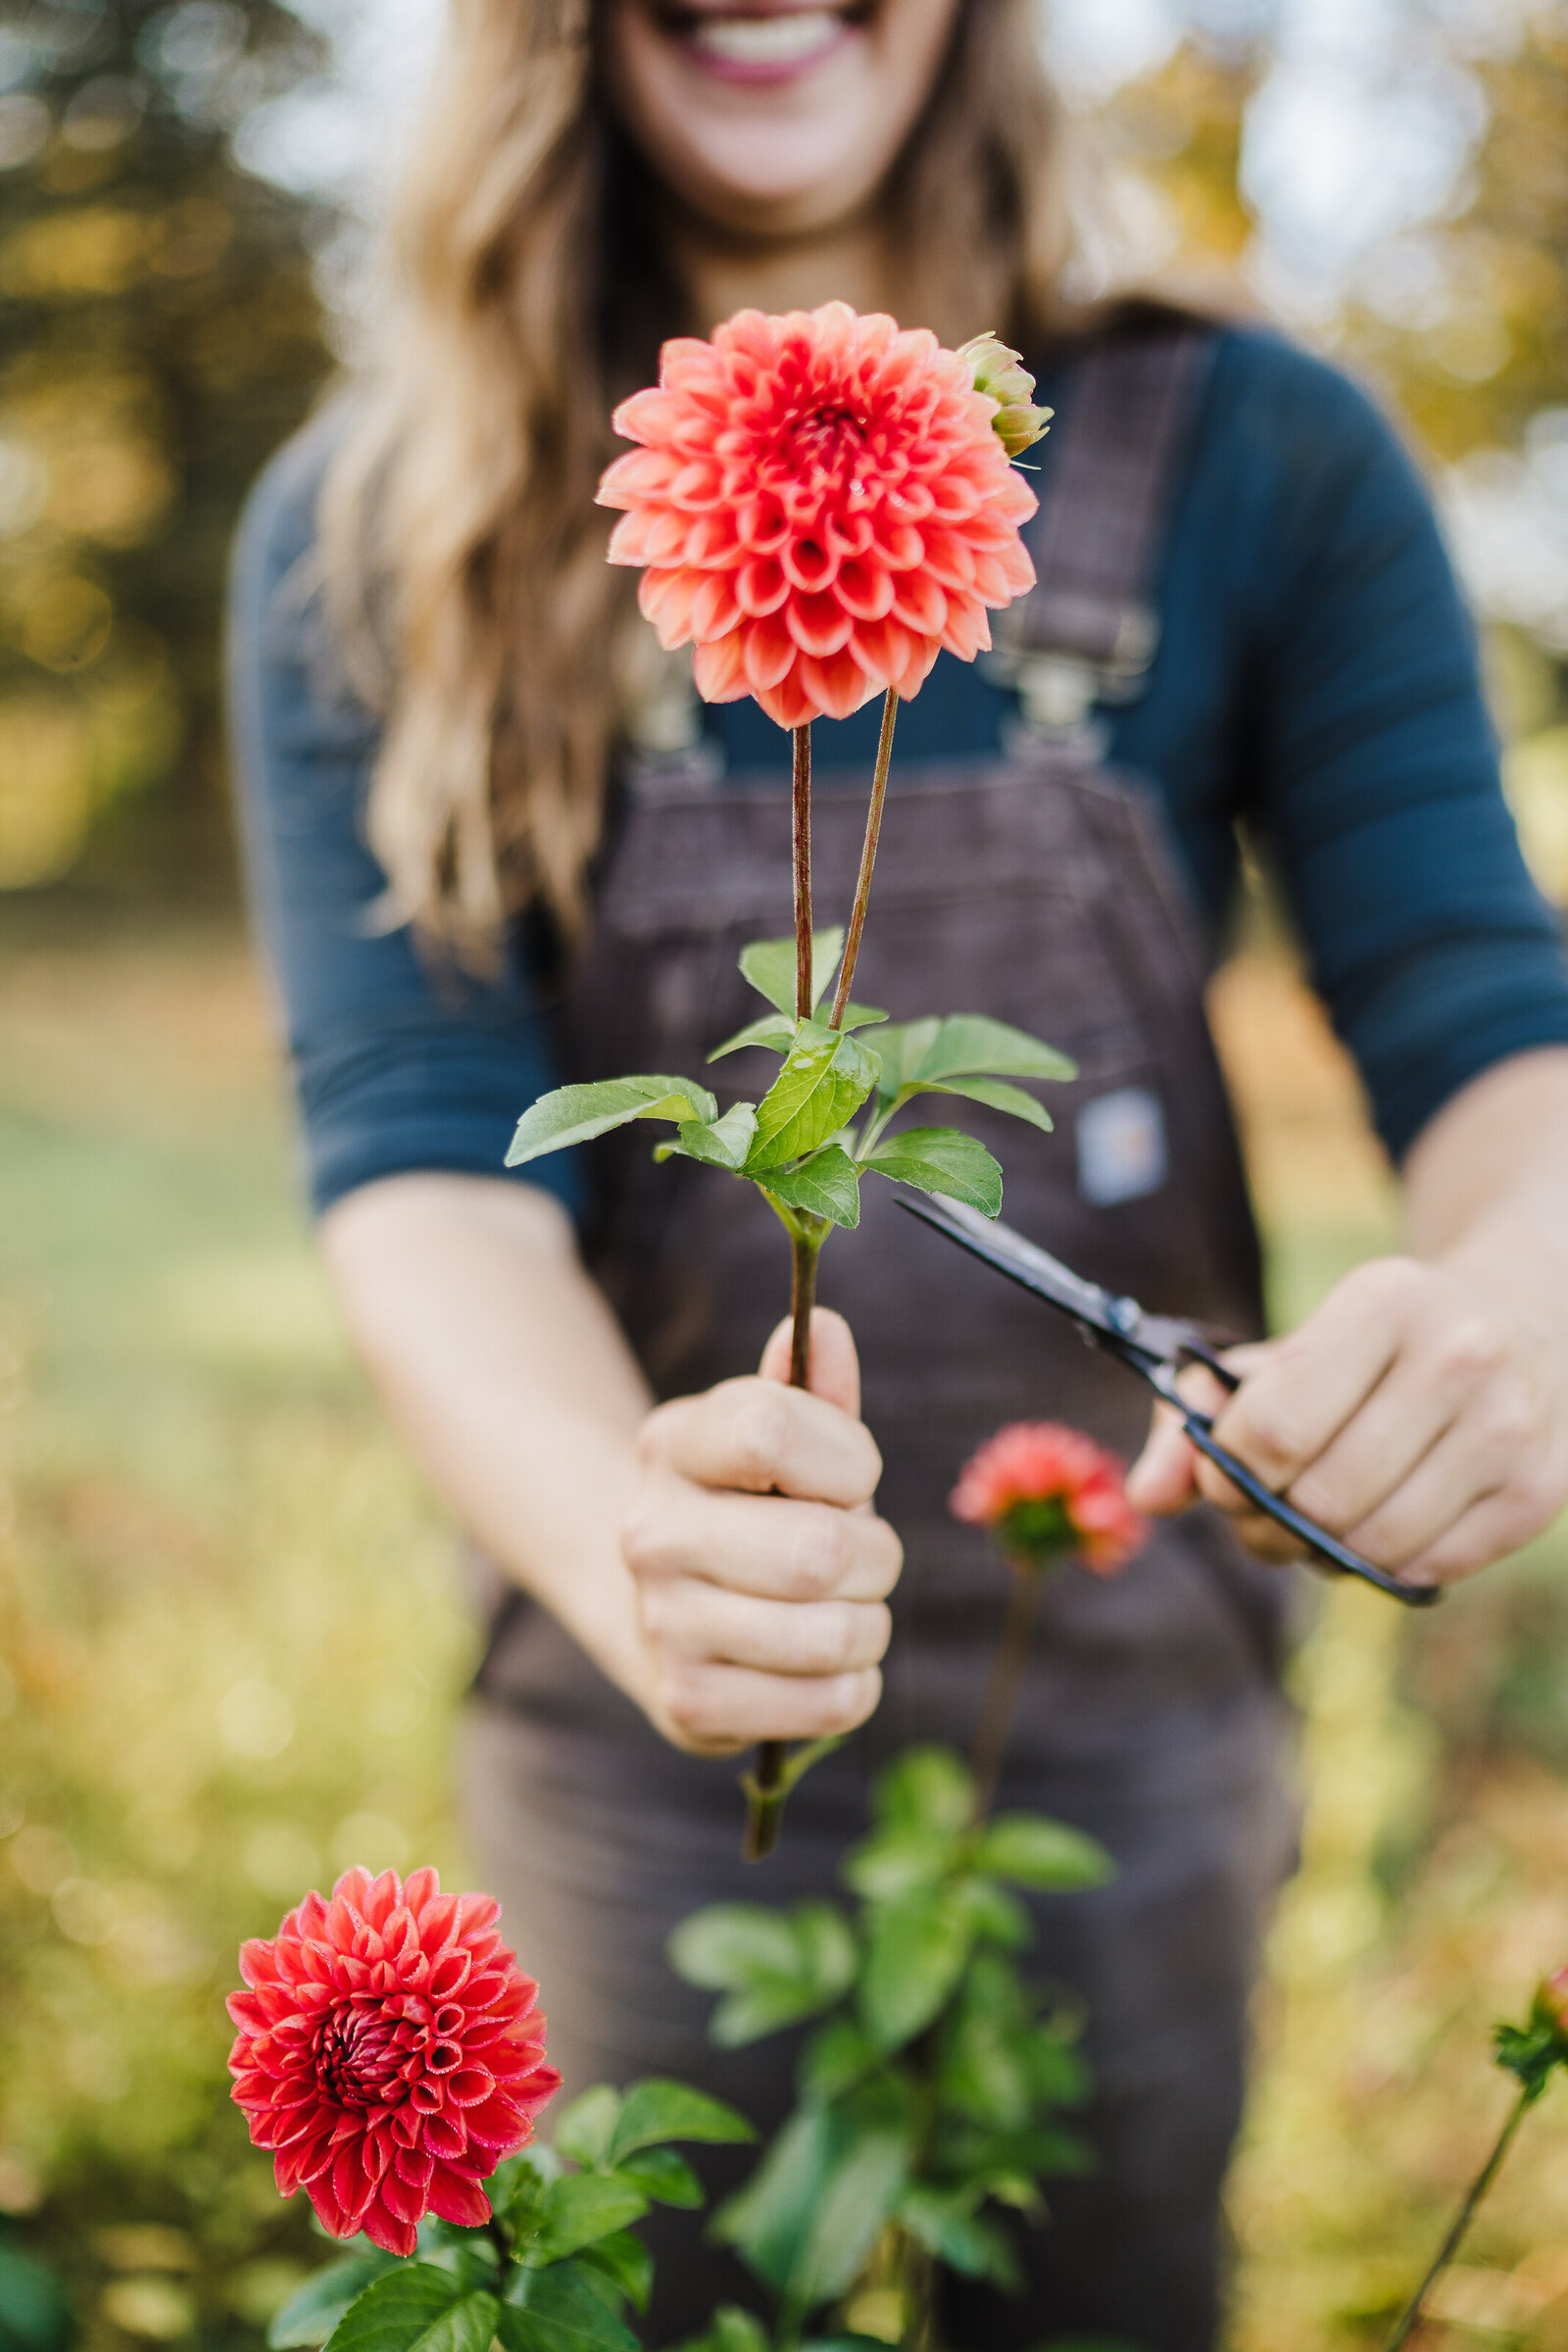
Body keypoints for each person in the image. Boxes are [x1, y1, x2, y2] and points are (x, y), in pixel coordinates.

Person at [227, 3, 1568, 2344]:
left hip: (1128, 1723)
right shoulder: (370, 525)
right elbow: (423, 1159)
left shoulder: (1264, 450)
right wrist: (639, 1558)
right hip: (646, 1756)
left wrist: (1513, 1301)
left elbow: (1487, 1018)